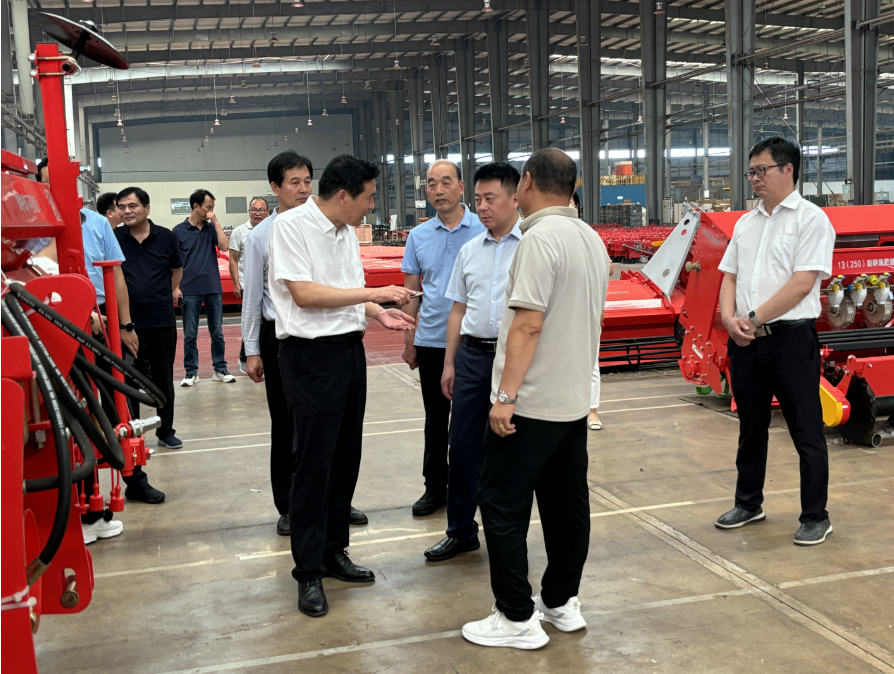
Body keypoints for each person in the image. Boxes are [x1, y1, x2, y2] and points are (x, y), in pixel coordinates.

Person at [462, 148, 610, 650]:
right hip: (571, 402)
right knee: (567, 507)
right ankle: (561, 601)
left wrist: (505, 397)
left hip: (530, 405)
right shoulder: (590, 238)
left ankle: (515, 616)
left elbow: (527, 324)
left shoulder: (539, 239)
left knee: (501, 504)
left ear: (526, 183)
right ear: (574, 186)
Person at [269, 155, 416, 618]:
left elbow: (345, 289)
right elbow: (305, 294)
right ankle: (308, 571)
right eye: (369, 197)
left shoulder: (345, 232)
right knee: (314, 465)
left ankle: (334, 551)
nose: (371, 206)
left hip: (349, 352)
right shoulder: (291, 227)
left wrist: (377, 313)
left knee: (344, 458)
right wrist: (374, 294)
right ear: (343, 195)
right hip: (310, 359)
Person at [715, 136, 835, 546]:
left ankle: (815, 515)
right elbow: (729, 275)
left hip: (790, 340)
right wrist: (728, 319)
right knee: (751, 426)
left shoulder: (811, 219)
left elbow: (802, 284)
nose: (754, 178)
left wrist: (752, 319)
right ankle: (748, 503)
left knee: (806, 429)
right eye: (751, 172)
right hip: (746, 342)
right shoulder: (745, 224)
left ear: (788, 169)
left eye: (761, 170)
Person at [36, 162, 140, 541]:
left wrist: (124, 325)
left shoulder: (97, 224)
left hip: (98, 319)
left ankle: (106, 500)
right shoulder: (34, 228)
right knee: (69, 413)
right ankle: (79, 510)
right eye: (48, 183)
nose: (58, 190)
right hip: (53, 322)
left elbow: (116, 276)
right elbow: (32, 273)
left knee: (104, 407)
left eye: (65, 182)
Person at [425, 163, 522, 563]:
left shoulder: (532, 246)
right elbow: (457, 310)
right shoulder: (469, 251)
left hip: (515, 361)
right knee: (462, 447)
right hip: (472, 358)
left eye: (490, 199)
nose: (481, 207)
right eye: (478, 199)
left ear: (514, 198)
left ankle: (508, 536)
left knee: (511, 451)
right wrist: (450, 364)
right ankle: (461, 531)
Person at [401, 160, 484, 517]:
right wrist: (409, 340)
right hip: (432, 341)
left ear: (461, 187)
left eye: (445, 182)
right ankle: (435, 487)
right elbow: (411, 293)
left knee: (475, 421)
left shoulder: (483, 229)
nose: (438, 190)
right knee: (436, 419)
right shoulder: (418, 236)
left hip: (476, 341)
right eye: (431, 184)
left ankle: (474, 487)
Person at [114, 187, 184, 461]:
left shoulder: (166, 237)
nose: (126, 211)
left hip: (160, 320)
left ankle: (166, 430)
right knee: (129, 380)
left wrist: (160, 294)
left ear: (147, 208)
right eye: (122, 207)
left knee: (163, 377)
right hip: (126, 323)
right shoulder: (115, 237)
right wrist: (124, 324)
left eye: (132, 206)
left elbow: (176, 271)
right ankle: (133, 432)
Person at [173, 189, 235, 385]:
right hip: (189, 289)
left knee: (217, 332)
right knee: (190, 334)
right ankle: (191, 372)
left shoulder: (211, 229)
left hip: (212, 287)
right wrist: (175, 287)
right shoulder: (178, 231)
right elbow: (173, 263)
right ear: (196, 206)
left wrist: (215, 222)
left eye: (212, 208)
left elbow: (224, 246)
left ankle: (220, 369)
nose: (211, 211)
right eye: (208, 207)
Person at [229, 197, 269, 373]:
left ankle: (264, 357)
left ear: (267, 212)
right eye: (254, 210)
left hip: (267, 285)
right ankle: (245, 357)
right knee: (252, 321)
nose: (257, 213)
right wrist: (236, 283)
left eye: (261, 210)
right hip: (248, 285)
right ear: (249, 212)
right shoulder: (240, 231)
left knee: (266, 323)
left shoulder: (273, 229)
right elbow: (233, 259)